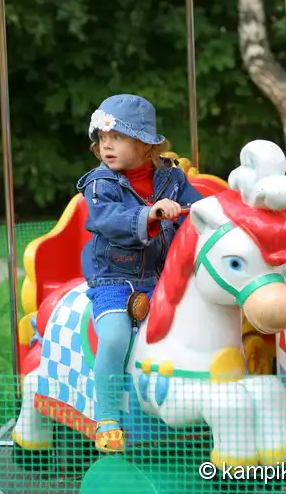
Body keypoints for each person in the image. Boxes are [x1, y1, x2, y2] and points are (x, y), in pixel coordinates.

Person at [77, 94, 203, 452]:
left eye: (117, 138)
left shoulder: (172, 178)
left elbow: (197, 210)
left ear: (145, 145)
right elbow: (108, 220)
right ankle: (107, 418)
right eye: (103, 138)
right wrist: (150, 214)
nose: (107, 146)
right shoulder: (101, 183)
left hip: (164, 278)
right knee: (115, 336)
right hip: (115, 279)